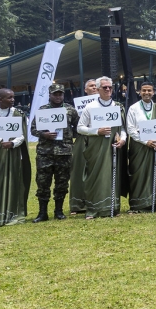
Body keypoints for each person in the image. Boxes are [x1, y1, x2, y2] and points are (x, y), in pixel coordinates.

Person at [75, 76, 127, 219]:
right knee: (95, 177)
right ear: (98, 89)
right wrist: (96, 132)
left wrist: (122, 140)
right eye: (105, 87)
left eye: (110, 87)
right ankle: (93, 209)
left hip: (113, 148)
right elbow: (80, 128)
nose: (108, 89)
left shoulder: (118, 107)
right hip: (96, 148)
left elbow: (123, 129)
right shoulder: (90, 107)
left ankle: (113, 207)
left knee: (112, 176)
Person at [0, 88, 31, 226]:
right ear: (0, 99)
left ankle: (10, 214)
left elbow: (23, 135)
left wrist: (13, 143)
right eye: (9, 98)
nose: (13, 100)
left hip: (12, 152)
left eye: (13, 97)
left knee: (11, 182)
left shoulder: (18, 113)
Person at [30, 83, 77, 222]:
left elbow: (78, 126)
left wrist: (68, 135)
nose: (58, 96)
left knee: (62, 183)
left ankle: (59, 211)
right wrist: (44, 135)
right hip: (45, 152)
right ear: (50, 95)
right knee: (43, 183)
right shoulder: (42, 110)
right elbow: (33, 129)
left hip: (64, 152)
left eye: (60, 94)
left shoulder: (70, 110)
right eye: (55, 94)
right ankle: (42, 213)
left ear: (63, 95)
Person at [125, 81, 156, 213]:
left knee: (154, 174)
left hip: (155, 147)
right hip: (139, 147)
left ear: (153, 92)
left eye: (149, 90)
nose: (147, 93)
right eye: (144, 90)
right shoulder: (133, 108)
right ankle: (138, 203)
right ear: (139, 92)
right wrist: (145, 141)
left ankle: (154, 202)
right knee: (138, 174)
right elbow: (131, 129)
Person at [68, 77, 99, 213]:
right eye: (91, 86)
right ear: (85, 89)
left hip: (99, 138)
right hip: (82, 138)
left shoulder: (105, 104)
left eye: (95, 86)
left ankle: (96, 200)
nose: (93, 88)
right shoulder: (77, 105)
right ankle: (78, 204)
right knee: (79, 170)